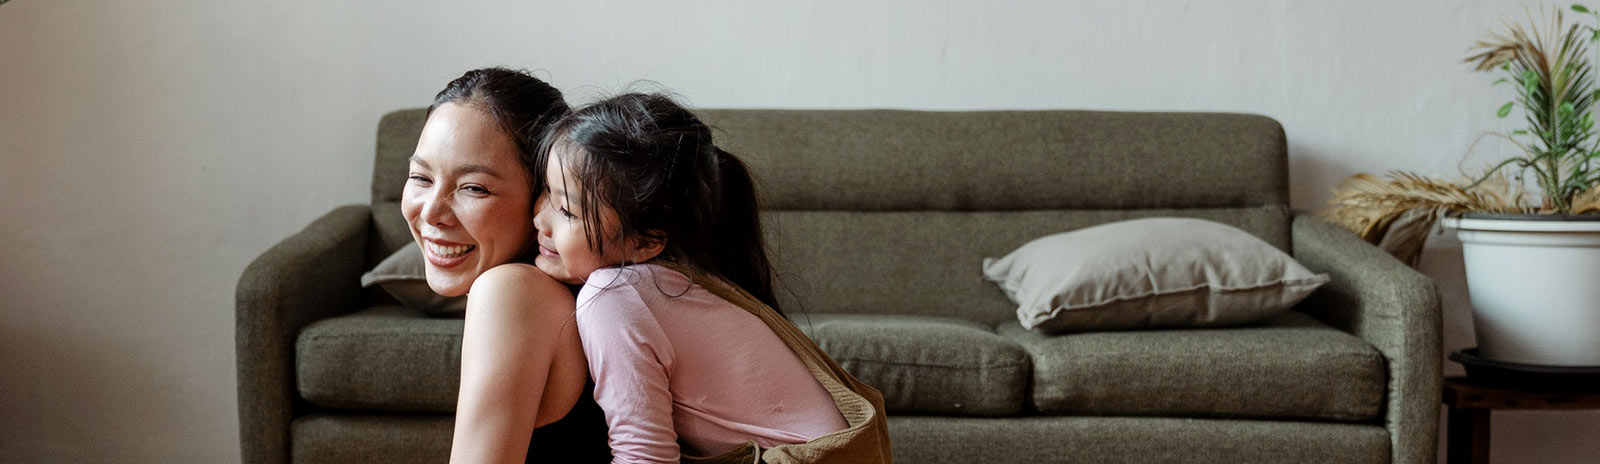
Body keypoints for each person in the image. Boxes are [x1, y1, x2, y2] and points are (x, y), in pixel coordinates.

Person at [529, 93, 891, 463]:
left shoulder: (613, 294)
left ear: (645, 242)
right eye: (545, 190)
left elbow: (645, 457)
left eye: (566, 211)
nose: (540, 219)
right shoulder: (678, 282)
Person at [402, 67, 611, 463]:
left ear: (543, 197)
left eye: (474, 188)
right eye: (421, 177)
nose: (431, 212)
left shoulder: (512, 290)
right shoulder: (576, 290)